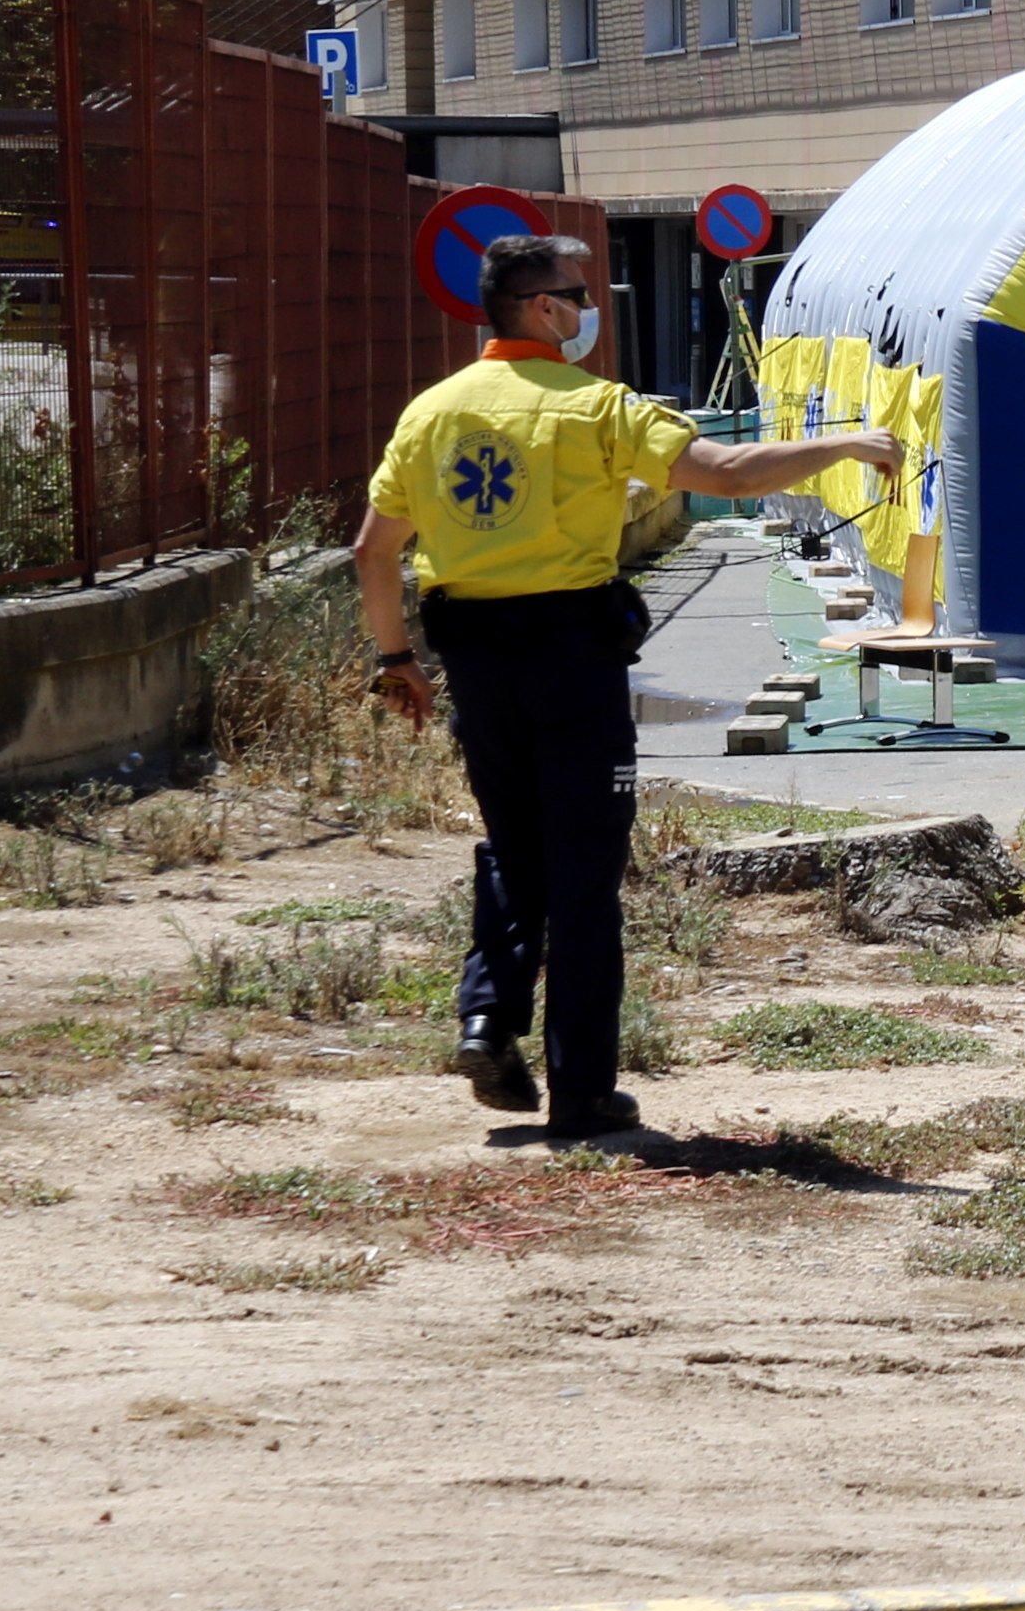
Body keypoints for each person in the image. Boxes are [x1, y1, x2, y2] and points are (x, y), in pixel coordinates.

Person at [356, 233, 900, 1140]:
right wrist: (847, 442)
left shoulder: (432, 413)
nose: (588, 310)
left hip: (476, 662)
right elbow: (723, 473)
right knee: (583, 872)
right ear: (544, 309)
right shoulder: (597, 407)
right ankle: (582, 1093)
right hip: (572, 658)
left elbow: (374, 551)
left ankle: (487, 1017)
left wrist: (394, 662)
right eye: (578, 294)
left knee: (513, 845)